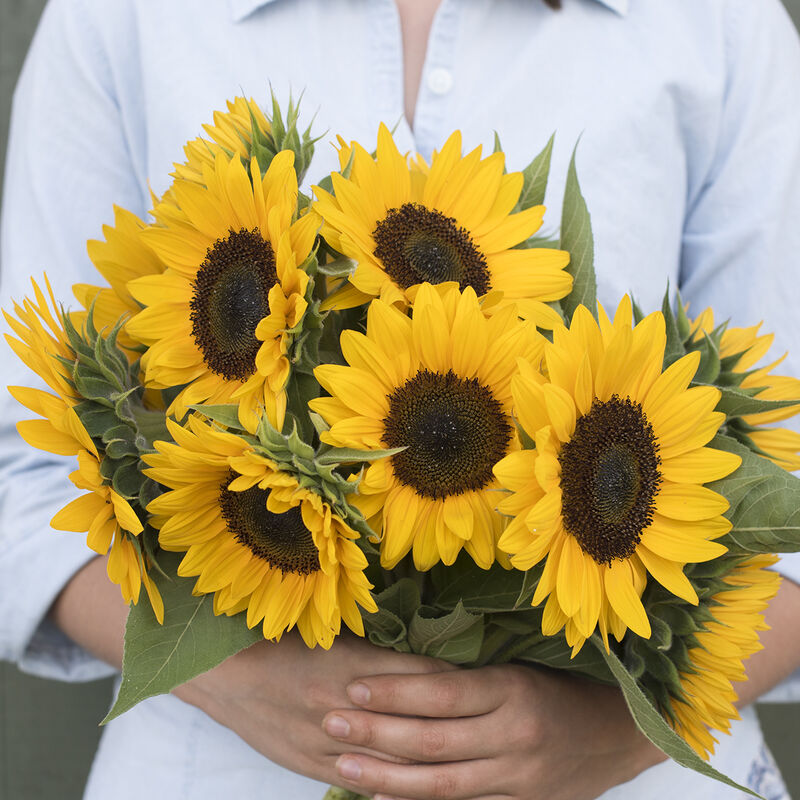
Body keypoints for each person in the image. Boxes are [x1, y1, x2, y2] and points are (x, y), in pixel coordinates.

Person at [1, 0, 800, 798]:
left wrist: (613, 729)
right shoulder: (122, 15)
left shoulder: (719, 21)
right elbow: (25, 481)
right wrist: (227, 675)